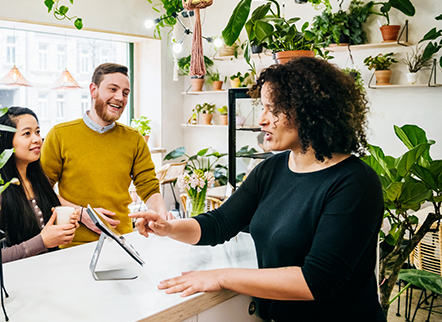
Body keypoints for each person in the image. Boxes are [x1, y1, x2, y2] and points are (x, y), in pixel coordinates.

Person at [130, 57, 385, 321]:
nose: (262, 120)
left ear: (310, 112)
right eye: (262, 107)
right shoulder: (271, 169)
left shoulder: (355, 182)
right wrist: (168, 227)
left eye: (273, 109)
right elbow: (220, 223)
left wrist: (221, 276)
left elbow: (317, 280)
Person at [41, 63, 170, 247]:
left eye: (125, 93)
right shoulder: (60, 135)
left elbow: (149, 187)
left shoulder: (134, 139)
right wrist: (82, 214)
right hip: (72, 244)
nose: (120, 98)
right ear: (93, 90)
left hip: (121, 242)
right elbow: (41, 190)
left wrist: (161, 215)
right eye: (113, 89)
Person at [0, 107, 79, 268]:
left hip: (50, 274)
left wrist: (61, 228)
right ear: (6, 140)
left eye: (38, 132)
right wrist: (42, 241)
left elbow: (40, 228)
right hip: (16, 285)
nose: (37, 139)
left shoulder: (38, 179)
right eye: (27, 133)